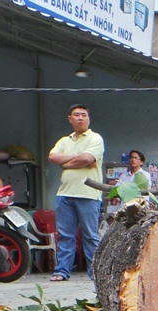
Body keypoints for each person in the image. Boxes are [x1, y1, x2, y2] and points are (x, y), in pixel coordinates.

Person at [47, 104, 104, 282]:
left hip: (88, 194)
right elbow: (52, 157)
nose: (80, 118)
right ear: (70, 119)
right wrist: (78, 159)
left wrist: (66, 162)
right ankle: (62, 272)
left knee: (90, 235)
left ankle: (95, 273)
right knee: (65, 235)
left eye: (84, 115)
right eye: (76, 115)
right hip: (64, 194)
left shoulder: (95, 138)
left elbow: (88, 158)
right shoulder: (65, 140)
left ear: (89, 119)